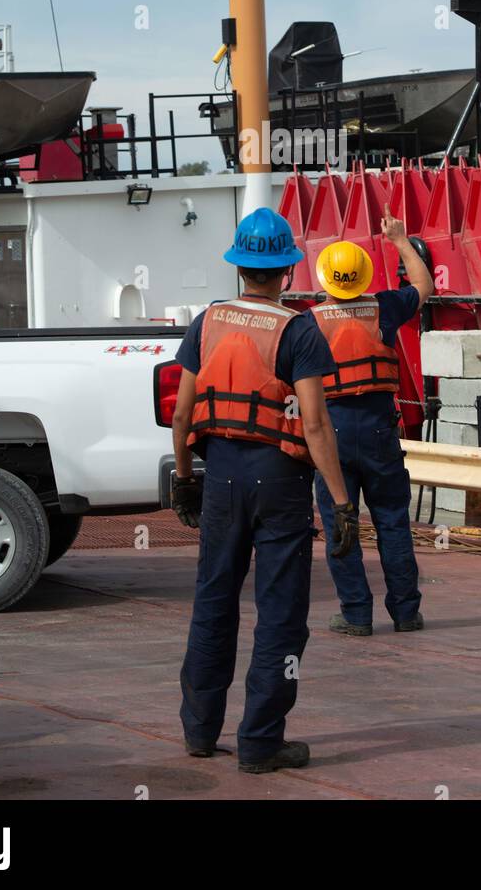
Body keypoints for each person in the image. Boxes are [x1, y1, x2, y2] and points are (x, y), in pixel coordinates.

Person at [170, 206, 357, 775]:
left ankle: (200, 733)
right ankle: (259, 743)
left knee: (213, 605)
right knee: (279, 615)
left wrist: (184, 481)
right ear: (286, 271)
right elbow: (317, 425)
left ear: (240, 267)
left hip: (221, 476)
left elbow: (180, 416)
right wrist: (343, 503)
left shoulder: (207, 321)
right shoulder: (297, 329)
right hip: (279, 482)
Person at [311, 207, 433, 636]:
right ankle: (405, 612)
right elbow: (423, 285)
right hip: (380, 429)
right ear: (363, 277)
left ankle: (357, 615)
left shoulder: (310, 323)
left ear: (325, 280)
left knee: (340, 520)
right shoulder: (383, 309)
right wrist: (400, 240)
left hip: (332, 433)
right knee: (393, 522)